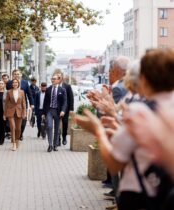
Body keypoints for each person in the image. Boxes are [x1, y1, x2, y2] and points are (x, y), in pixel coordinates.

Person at [75, 49, 174, 210]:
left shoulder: (140, 111)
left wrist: (98, 131)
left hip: (139, 193)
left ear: (144, 79)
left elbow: (115, 163)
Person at [6, 69, 34, 141]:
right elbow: (7, 95)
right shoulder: (9, 83)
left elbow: (29, 93)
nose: (16, 75)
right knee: (14, 123)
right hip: (12, 106)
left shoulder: (25, 83)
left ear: (20, 75)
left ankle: (20, 134)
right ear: (13, 75)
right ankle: (15, 137)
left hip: (23, 105)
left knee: (23, 122)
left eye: (18, 74)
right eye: (15, 74)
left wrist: (32, 103)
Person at [42, 74, 67, 152]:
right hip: (49, 110)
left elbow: (64, 102)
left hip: (58, 111)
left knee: (57, 129)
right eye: (52, 79)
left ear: (58, 80)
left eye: (54, 79)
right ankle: (50, 145)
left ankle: (55, 144)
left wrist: (63, 110)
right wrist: (43, 113)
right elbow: (45, 102)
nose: (53, 80)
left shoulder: (62, 90)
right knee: (49, 126)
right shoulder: (48, 89)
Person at [4, 79, 26, 151]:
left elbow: (23, 103)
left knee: (18, 129)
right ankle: (13, 143)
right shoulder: (9, 92)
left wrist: (24, 112)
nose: (15, 84)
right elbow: (6, 103)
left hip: (19, 112)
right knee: (13, 127)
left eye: (16, 82)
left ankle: (17, 140)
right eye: (13, 82)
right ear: (12, 84)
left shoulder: (22, 92)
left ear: (18, 84)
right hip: (10, 111)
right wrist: (4, 114)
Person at [55, 70, 74, 146]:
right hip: (57, 109)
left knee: (65, 123)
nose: (59, 78)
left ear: (62, 77)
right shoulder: (54, 86)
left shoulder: (67, 86)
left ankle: (64, 137)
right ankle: (58, 139)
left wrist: (71, 109)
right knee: (57, 124)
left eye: (60, 76)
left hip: (65, 108)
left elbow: (71, 97)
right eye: (57, 77)